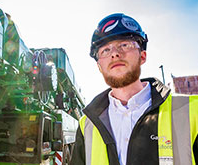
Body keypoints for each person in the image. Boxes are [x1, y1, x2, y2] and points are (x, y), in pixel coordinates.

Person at [70, 13, 198, 165]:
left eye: (124, 45)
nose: (115, 53)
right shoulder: (87, 125)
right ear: (99, 66)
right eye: (105, 50)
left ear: (142, 56)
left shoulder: (191, 111)